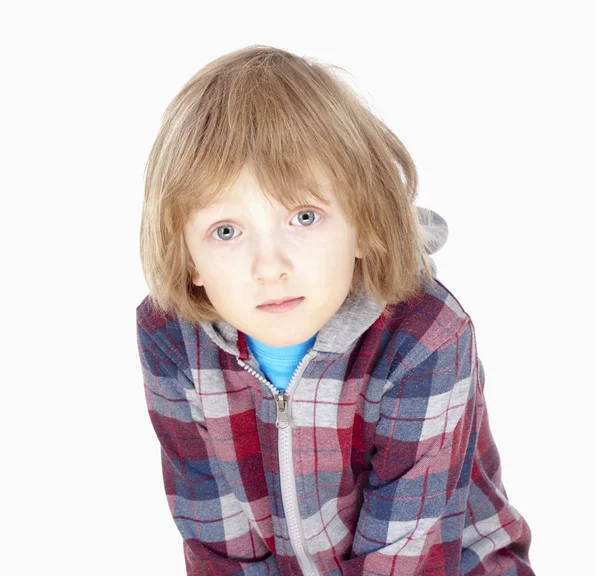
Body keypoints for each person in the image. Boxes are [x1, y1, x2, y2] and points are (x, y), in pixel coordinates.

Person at [136, 45, 535, 576]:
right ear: (190, 260)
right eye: (226, 231)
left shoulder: (425, 337)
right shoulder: (172, 338)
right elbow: (217, 539)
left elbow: (406, 559)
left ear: (365, 226)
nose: (270, 266)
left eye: (304, 216)